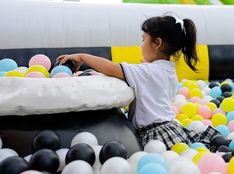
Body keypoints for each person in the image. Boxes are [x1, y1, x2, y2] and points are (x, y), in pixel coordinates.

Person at [57, 15, 220, 149]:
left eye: (143, 40)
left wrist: (82, 57)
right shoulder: (167, 70)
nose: (141, 45)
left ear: (157, 43)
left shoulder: (149, 72)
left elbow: (113, 68)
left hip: (156, 134)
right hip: (170, 126)